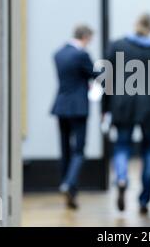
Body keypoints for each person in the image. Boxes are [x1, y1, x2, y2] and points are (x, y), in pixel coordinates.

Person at [103, 14, 150, 214]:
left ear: (135, 25)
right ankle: (144, 199)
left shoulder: (117, 45)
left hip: (122, 105)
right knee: (149, 150)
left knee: (122, 146)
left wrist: (105, 108)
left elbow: (107, 79)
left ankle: (122, 178)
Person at [51, 25, 97, 209]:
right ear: (85, 36)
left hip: (61, 106)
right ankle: (69, 183)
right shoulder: (81, 55)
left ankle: (68, 188)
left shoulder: (58, 54)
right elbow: (95, 74)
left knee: (65, 150)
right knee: (78, 150)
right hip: (78, 107)